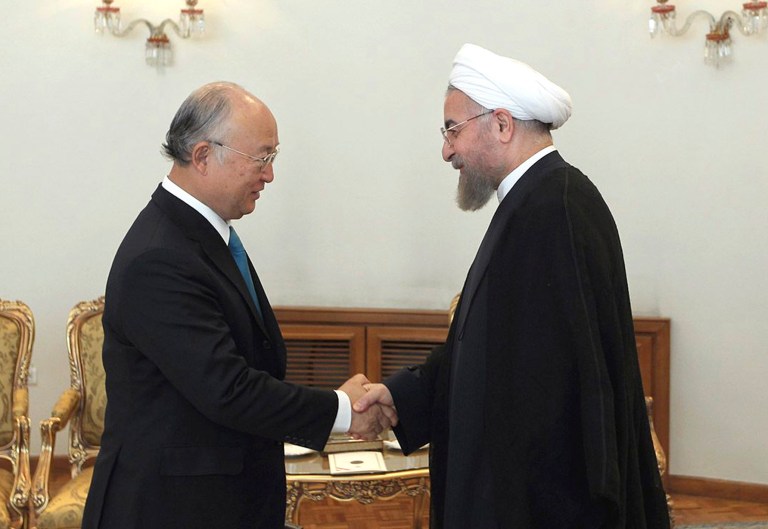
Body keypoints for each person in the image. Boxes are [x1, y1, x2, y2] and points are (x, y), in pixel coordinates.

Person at [355, 44, 671, 528]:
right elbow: (490, 351)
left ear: (502, 125)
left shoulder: (556, 207)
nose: (446, 150)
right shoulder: (532, 202)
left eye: (452, 130)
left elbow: (561, 395)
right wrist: (403, 397)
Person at [81, 82, 395, 529]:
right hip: (169, 508)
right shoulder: (160, 256)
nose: (269, 175)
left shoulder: (205, 234)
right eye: (261, 159)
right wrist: (342, 410)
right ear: (204, 156)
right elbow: (226, 389)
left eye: (273, 158)